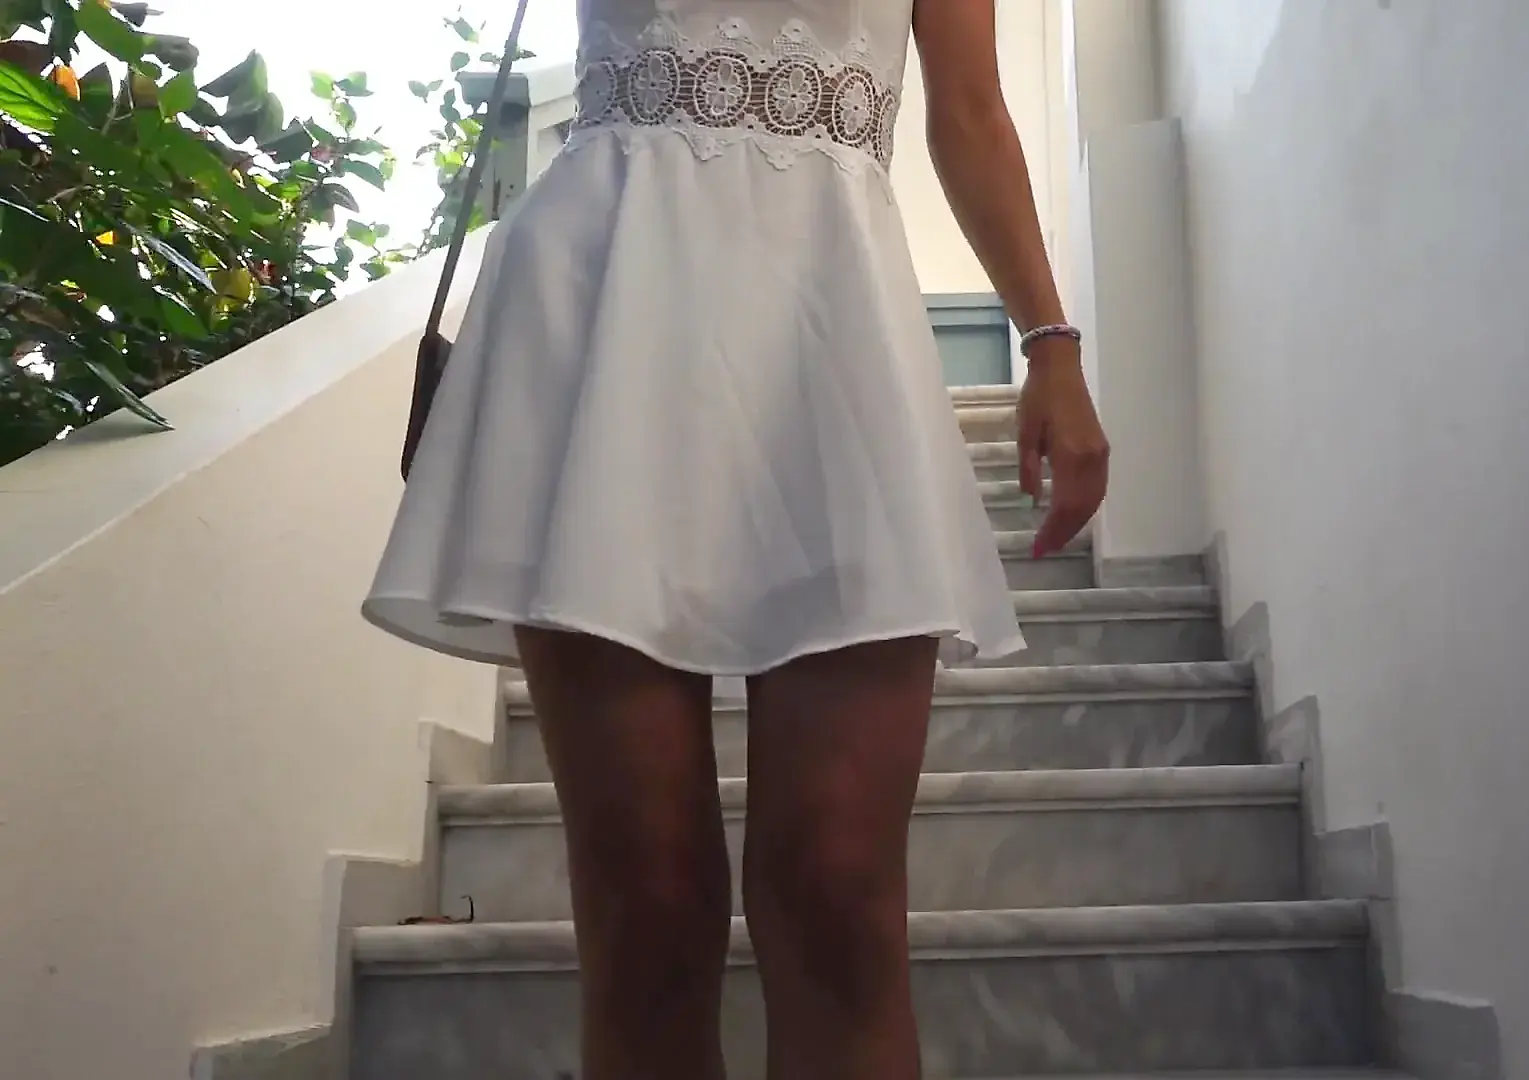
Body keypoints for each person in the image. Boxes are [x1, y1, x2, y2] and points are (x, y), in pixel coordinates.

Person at [361, 0, 1108, 1076]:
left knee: (840, 893)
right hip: (599, 310)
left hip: (832, 327)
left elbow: (972, 105)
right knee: (645, 904)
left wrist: (1051, 345)